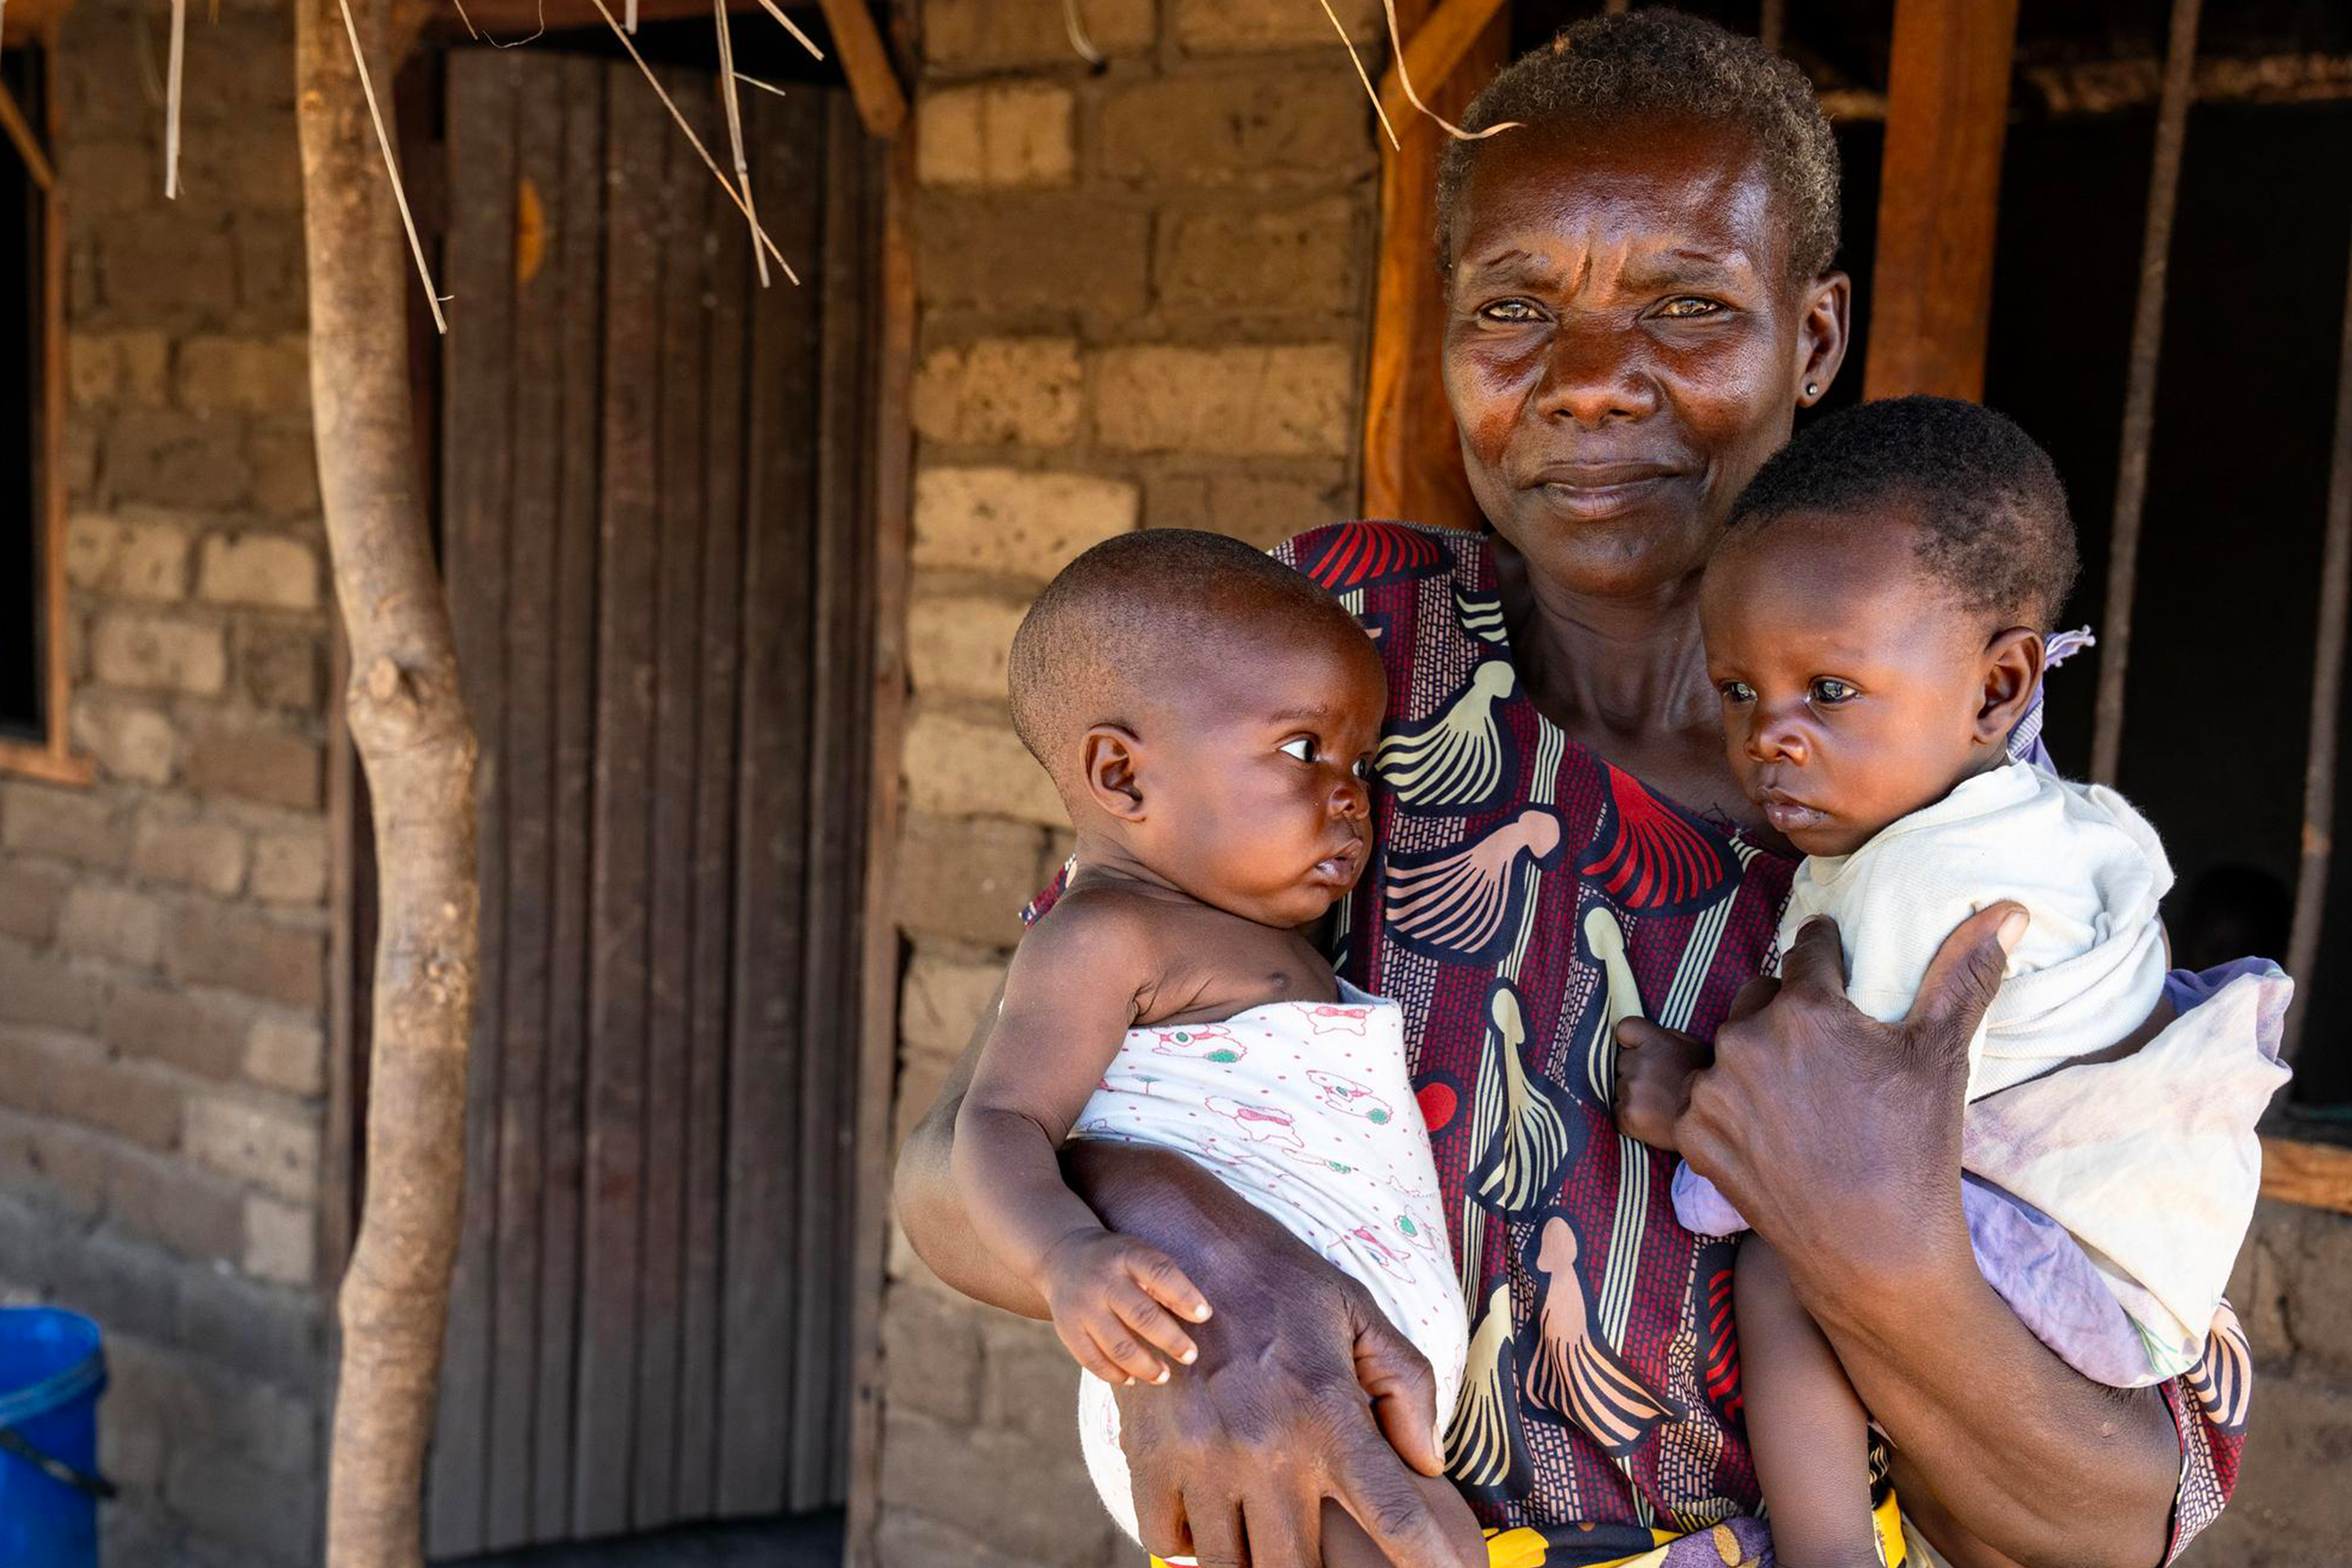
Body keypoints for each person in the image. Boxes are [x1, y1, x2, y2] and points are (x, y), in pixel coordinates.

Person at [895, 12, 2249, 1567]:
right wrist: (1204, 1257)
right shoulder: (1314, 667)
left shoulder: (1957, 842)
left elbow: (2130, 1508)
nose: (1592, 382)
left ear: (1813, 339)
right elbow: (958, 1161)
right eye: (1516, 309)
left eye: (1687, 307)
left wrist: (1880, 1250)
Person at [1636, 396, 2287, 1568]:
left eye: (1828, 691)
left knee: (1781, 1260)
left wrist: (1686, 1113)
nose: (1771, 736)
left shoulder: (1916, 884)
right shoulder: (2042, 819)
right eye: (1739, 691)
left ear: (1998, 691)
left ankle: (1826, 1545)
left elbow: (1799, 1144)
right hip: (2122, 1262)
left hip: (2060, 1272)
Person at [950, 528, 1479, 1567]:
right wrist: (1069, 1259)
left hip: (1338, 1388)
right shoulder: (1102, 938)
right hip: (1225, 1391)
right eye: (1301, 751)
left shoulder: (1252, 929)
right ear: (1121, 775)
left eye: (1360, 761)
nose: (1349, 796)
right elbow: (1000, 1119)